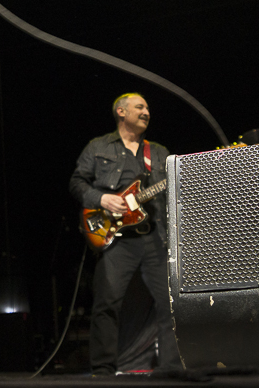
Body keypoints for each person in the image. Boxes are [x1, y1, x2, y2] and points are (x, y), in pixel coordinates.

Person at [69, 93, 181, 375]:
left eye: (148, 108)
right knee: (106, 304)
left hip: (154, 237)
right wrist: (102, 199)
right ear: (121, 111)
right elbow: (77, 182)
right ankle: (103, 370)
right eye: (140, 107)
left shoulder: (158, 151)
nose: (147, 112)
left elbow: (173, 185)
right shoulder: (98, 146)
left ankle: (170, 368)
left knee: (171, 303)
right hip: (116, 239)